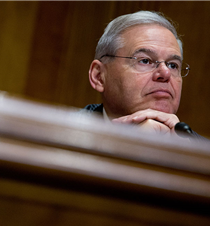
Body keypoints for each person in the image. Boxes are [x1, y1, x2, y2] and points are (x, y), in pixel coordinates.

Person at [83, 11, 203, 139]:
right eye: (145, 61)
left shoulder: (206, 155)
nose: (165, 73)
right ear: (99, 76)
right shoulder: (64, 137)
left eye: (173, 65)